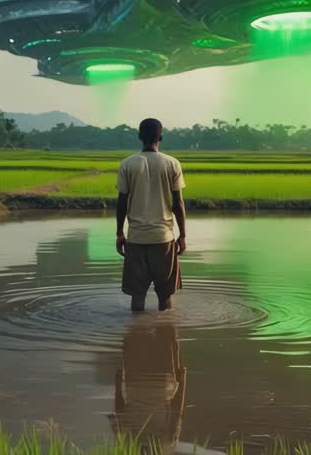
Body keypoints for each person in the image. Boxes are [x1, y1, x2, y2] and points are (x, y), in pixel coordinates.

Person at [115, 117, 187, 312]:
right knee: (165, 296)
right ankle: (166, 336)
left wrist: (120, 233)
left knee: (138, 295)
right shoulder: (172, 163)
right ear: (160, 137)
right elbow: (178, 204)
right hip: (163, 238)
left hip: (136, 238)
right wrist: (182, 236)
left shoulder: (128, 164)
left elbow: (121, 202)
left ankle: (135, 334)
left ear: (139, 137)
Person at [109, 320, 187, 451]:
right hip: (135, 382)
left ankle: (165, 314)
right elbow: (119, 413)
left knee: (166, 332)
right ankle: (154, 312)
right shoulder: (128, 446)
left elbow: (176, 412)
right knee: (135, 330)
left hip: (161, 383)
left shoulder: (165, 446)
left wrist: (182, 381)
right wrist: (118, 384)